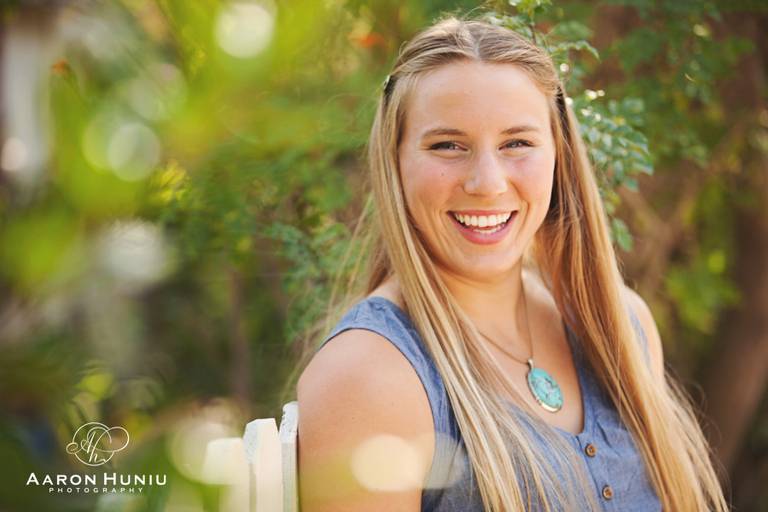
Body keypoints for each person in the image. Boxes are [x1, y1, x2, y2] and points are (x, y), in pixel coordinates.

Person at [296, 16, 728, 512]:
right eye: (447, 145)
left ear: (558, 156)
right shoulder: (370, 376)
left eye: (517, 143)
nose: (488, 182)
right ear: (394, 162)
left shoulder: (621, 325)